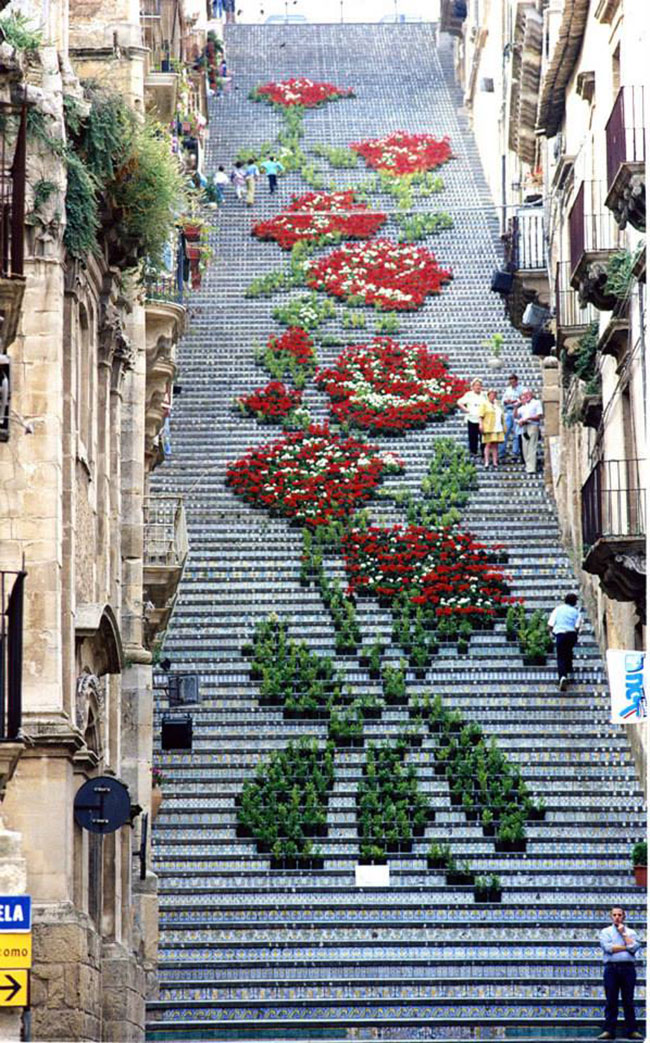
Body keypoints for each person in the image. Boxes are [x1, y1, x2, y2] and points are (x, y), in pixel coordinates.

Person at [598, 907, 643, 1040]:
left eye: (619, 915)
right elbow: (608, 948)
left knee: (628, 1000)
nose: (617, 917)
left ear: (624, 916)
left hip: (628, 969)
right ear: (611, 917)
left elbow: (634, 948)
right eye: (614, 915)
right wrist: (626, 947)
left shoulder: (631, 932)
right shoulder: (605, 932)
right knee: (611, 1000)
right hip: (611, 969)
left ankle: (632, 1030)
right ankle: (609, 1030)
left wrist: (623, 934)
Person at [547, 593, 581, 691]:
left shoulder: (558, 610)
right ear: (574, 602)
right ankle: (569, 668)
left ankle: (562, 676)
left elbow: (550, 624)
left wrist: (551, 633)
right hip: (571, 634)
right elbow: (577, 626)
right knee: (568, 650)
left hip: (560, 634)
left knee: (560, 656)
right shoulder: (576, 612)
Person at [514, 388, 543, 474]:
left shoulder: (536, 403)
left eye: (527, 394)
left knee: (531, 447)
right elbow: (516, 416)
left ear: (531, 394)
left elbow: (539, 416)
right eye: (524, 395)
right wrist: (516, 407)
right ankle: (528, 466)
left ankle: (531, 468)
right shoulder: (524, 406)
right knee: (525, 447)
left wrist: (528, 418)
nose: (526, 396)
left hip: (533, 426)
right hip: (524, 427)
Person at [500, 373, 526, 461]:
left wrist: (516, 401)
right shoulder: (508, 390)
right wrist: (506, 401)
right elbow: (502, 400)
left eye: (513, 382)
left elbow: (525, 398)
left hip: (518, 411)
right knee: (505, 432)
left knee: (516, 433)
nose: (512, 384)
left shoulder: (522, 389)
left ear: (516, 381)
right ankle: (502, 452)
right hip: (508, 411)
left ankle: (515, 452)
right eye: (510, 382)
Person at [457, 378, 485, 457]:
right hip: (472, 418)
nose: (478, 387)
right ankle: (473, 451)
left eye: (479, 385)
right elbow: (459, 402)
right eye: (476, 385)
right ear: (472, 386)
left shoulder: (484, 395)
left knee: (483, 436)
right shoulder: (469, 394)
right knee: (473, 436)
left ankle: (483, 452)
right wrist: (466, 410)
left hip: (482, 419)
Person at [478, 388, 505, 469]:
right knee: (488, 444)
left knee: (495, 445)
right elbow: (480, 416)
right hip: (488, 426)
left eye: (494, 395)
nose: (493, 396)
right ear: (488, 395)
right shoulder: (484, 404)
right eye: (491, 394)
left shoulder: (497, 404)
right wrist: (481, 425)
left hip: (497, 426)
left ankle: (495, 462)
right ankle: (486, 461)